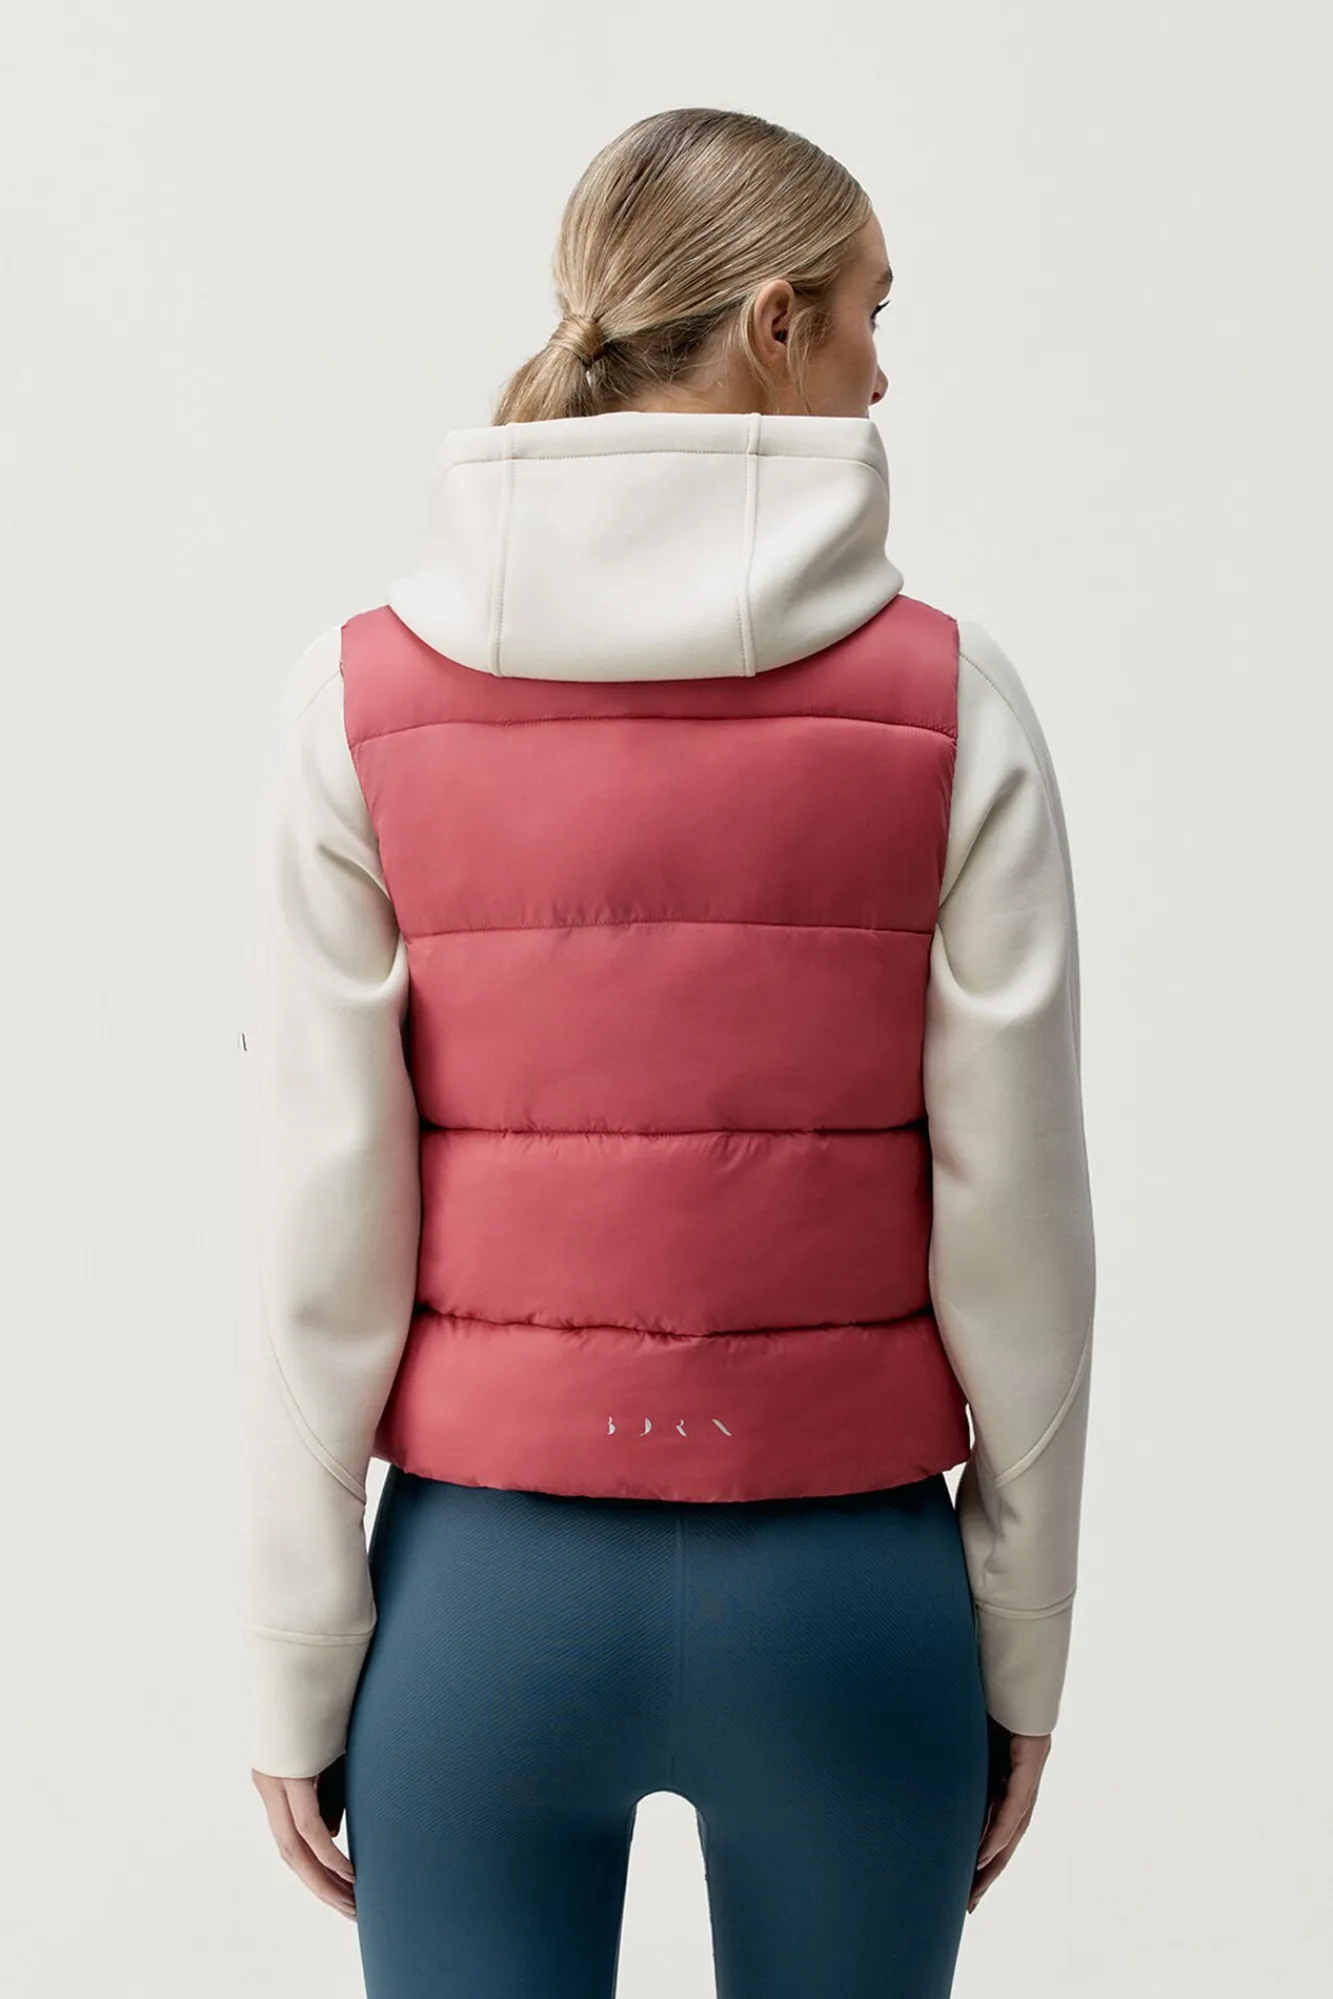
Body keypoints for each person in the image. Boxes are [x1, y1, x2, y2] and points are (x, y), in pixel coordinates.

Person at [241, 105, 1096, 1999]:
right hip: (851, 1607)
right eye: (873, 312)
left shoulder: (358, 702)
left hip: (479, 1613)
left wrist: (300, 1649)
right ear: (778, 324)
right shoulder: (953, 703)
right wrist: (1023, 1636)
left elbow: (323, 1238)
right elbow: (1020, 1242)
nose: (889, 370)